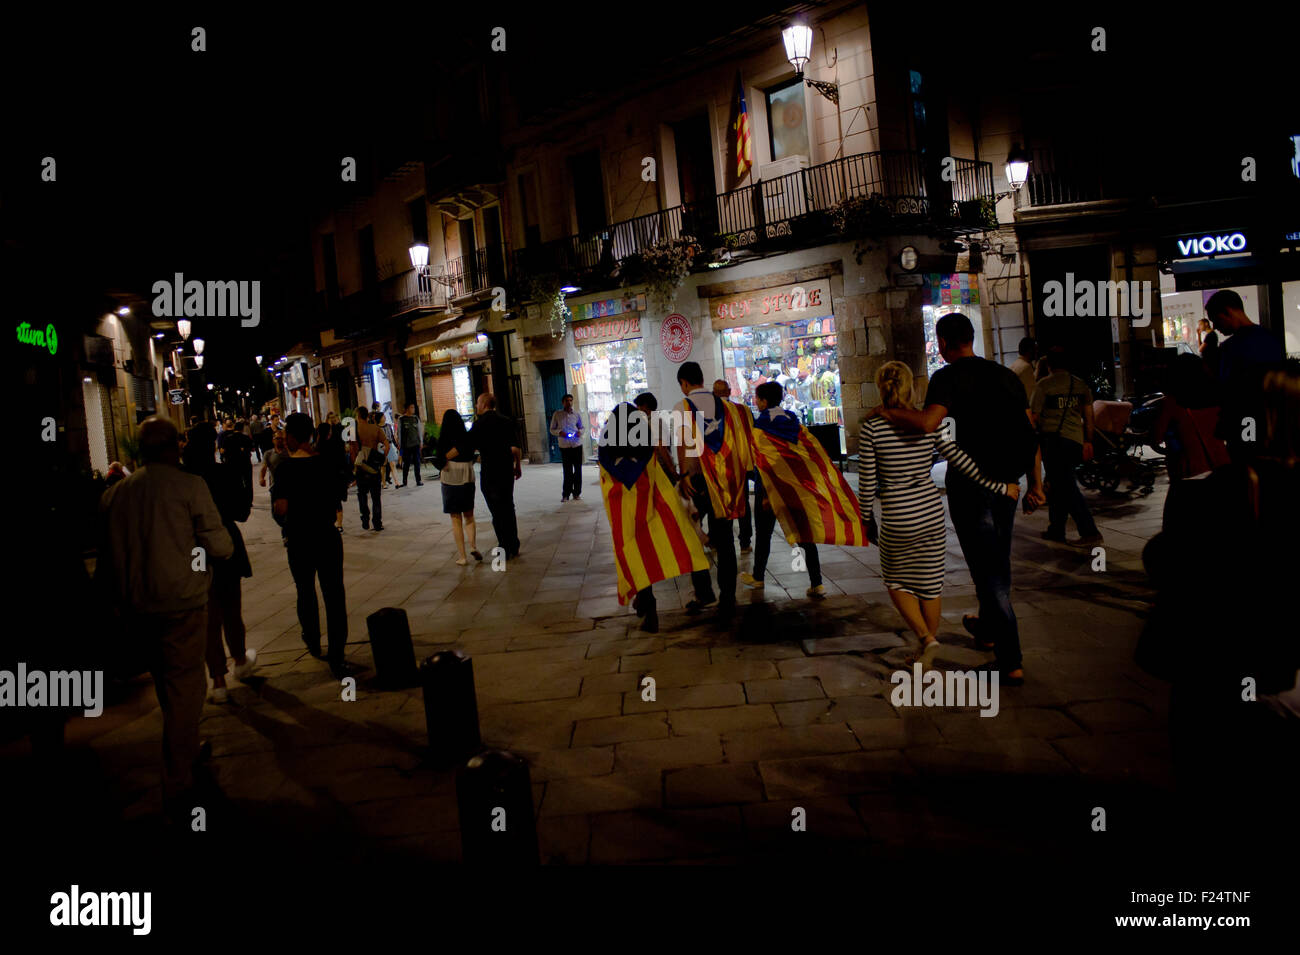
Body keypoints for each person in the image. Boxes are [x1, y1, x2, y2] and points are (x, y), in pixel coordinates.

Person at [867, 313, 1043, 685]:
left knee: (988, 572)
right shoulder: (1007, 376)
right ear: (972, 338)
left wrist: (886, 412)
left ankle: (1009, 660)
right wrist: (1036, 484)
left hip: (972, 488)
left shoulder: (946, 377)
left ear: (943, 342)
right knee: (996, 564)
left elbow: (929, 424)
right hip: (1007, 486)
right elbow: (1029, 433)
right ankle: (988, 629)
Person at [98, 416, 233, 813]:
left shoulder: (116, 495)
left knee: (165, 684)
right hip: (183, 603)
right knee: (186, 687)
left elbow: (106, 560)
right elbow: (220, 544)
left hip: (138, 606)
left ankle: (185, 749)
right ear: (174, 447)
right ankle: (178, 779)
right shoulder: (189, 486)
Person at [862, 363, 1020, 663]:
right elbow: (961, 461)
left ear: (880, 386)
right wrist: (999, 487)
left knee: (896, 582)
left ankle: (925, 638)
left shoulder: (872, 426)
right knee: (930, 586)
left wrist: (865, 516)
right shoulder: (929, 424)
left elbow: (868, 480)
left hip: (898, 513)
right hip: (931, 513)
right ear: (913, 386)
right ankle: (926, 654)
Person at [182, 423, 258, 703]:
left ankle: (218, 681)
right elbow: (242, 512)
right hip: (225, 545)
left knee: (209, 617)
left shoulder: (184, 479)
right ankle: (240, 661)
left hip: (196, 551)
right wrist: (242, 470)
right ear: (214, 446)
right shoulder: (222, 473)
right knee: (231, 610)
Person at [273, 413, 351, 677]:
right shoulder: (326, 464)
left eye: (286, 435)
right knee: (334, 595)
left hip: (299, 538)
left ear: (293, 437)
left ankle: (313, 638)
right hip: (327, 536)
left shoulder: (284, 469)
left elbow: (280, 509)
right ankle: (338, 656)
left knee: (305, 590)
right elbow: (340, 493)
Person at [675, 361, 750, 617]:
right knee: (726, 539)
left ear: (684, 383)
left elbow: (684, 446)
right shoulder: (728, 407)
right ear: (702, 378)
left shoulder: (682, 406)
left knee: (690, 535)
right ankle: (728, 596)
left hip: (696, 481)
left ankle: (704, 592)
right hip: (724, 482)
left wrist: (683, 475)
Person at [741, 382, 827, 597]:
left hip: (771, 488)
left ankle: (758, 577)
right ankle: (817, 582)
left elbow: (764, 460)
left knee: (764, 535)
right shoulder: (791, 418)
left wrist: (768, 492)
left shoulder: (763, 422)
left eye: (757, 398)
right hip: (796, 486)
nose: (755, 402)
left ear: (764, 401)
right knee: (804, 534)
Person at [1030, 346, 1103, 545]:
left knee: (1066, 486)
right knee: (1058, 484)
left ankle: (1089, 531)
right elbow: (1089, 416)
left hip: (1053, 441)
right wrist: (1088, 441)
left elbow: (1033, 416)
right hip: (1075, 440)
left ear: (1049, 364)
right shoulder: (1080, 385)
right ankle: (1056, 529)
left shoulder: (1044, 385)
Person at [1205, 289, 1284, 464]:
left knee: (1247, 466)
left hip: (1244, 422)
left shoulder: (1230, 348)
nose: (1215, 327)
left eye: (1215, 320)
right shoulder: (1270, 339)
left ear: (1228, 311)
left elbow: (1225, 390)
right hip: (1273, 422)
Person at [469, 393, 522, 559]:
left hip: (490, 473)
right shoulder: (506, 421)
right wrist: (517, 465)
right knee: (508, 506)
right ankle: (513, 543)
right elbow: (515, 448)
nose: (476, 406)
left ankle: (504, 545)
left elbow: (468, 446)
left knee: (496, 510)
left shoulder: (479, 425)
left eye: (477, 403)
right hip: (506, 470)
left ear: (484, 404)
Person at [436, 410, 482, 566]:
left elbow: (439, 459)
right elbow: (473, 455)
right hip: (467, 476)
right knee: (469, 515)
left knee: (455, 519)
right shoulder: (466, 437)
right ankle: (473, 546)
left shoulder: (443, 438)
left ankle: (462, 557)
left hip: (450, 477)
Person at [714, 378, 753, 553]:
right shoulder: (744, 410)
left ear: (714, 394)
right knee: (742, 502)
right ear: (729, 392)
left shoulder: (710, 413)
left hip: (720, 466)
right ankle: (745, 542)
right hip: (742, 465)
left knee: (721, 503)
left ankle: (722, 540)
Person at [351, 407, 388, 531]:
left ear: (357, 416)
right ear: (367, 416)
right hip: (373, 465)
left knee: (362, 494)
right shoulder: (375, 428)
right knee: (376, 496)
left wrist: (354, 465)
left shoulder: (353, 429)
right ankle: (377, 522)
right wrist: (383, 459)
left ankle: (365, 518)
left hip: (361, 466)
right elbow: (386, 445)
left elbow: (352, 449)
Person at [550, 393, 584, 502]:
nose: (569, 402)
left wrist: (580, 432)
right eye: (566, 401)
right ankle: (566, 494)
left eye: (570, 400)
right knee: (567, 470)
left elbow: (582, 427)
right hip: (565, 446)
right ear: (563, 402)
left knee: (578, 470)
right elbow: (552, 429)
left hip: (576, 445)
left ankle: (577, 493)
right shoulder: (557, 414)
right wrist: (560, 433)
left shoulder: (576, 414)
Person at [398, 402, 424, 487]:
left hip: (416, 444)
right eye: (411, 407)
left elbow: (419, 431)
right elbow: (399, 432)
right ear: (407, 409)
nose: (413, 409)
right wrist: (399, 444)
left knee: (417, 462)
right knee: (407, 464)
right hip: (406, 445)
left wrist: (421, 442)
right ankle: (404, 481)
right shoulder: (401, 419)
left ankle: (418, 480)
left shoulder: (416, 418)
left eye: (413, 407)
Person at [1009, 337, 1038, 402]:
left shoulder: (1014, 364)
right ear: (1030, 350)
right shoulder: (1026, 368)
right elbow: (1030, 396)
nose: (1037, 352)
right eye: (1035, 349)